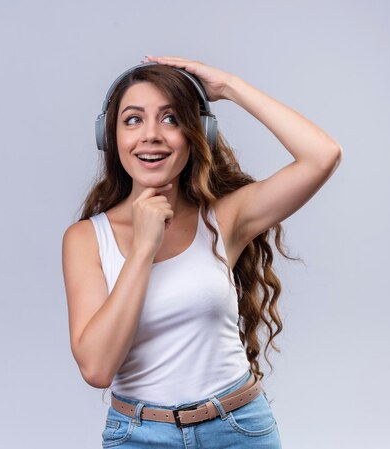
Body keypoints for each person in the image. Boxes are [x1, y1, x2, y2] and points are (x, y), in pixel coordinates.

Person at [62, 55, 342, 448]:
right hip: (139, 436)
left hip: (239, 428)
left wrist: (229, 87)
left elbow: (322, 155)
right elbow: (96, 368)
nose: (151, 135)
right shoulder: (86, 239)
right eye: (133, 119)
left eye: (171, 118)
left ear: (199, 135)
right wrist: (143, 249)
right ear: (110, 138)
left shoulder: (224, 218)